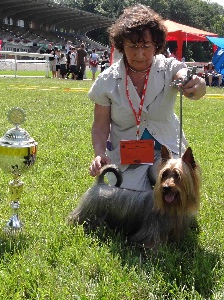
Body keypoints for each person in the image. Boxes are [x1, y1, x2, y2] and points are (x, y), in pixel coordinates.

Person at [88, 4, 206, 191]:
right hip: (127, 158)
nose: (140, 54)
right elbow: (100, 127)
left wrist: (194, 84)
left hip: (165, 153)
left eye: (145, 46)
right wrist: (99, 154)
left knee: (170, 180)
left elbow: (186, 76)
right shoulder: (106, 80)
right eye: (132, 46)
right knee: (127, 200)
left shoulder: (168, 67)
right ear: (121, 46)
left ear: (156, 45)